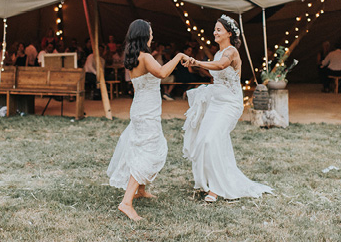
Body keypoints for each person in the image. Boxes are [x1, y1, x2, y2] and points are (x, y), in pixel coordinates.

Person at [182, 15, 272, 203]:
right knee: (205, 140)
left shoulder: (231, 52)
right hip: (216, 102)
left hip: (230, 103)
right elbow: (216, 71)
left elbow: (221, 65)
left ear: (229, 33)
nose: (214, 32)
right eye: (214, 29)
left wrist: (197, 62)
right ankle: (210, 180)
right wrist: (197, 67)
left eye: (219, 30)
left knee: (211, 140)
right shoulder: (217, 53)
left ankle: (215, 189)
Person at [107, 19, 189, 221]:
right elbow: (162, 73)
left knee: (145, 146)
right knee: (149, 151)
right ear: (144, 35)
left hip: (142, 107)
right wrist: (179, 56)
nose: (153, 35)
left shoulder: (134, 57)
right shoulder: (145, 57)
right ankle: (126, 203)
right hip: (146, 111)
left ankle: (141, 189)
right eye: (151, 32)